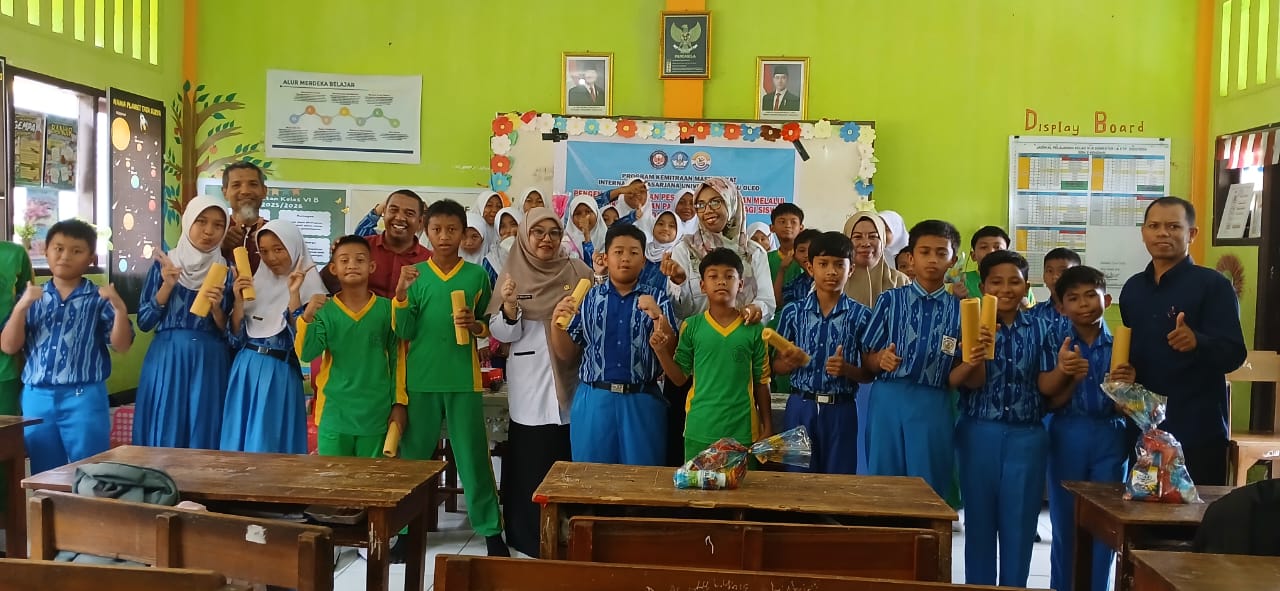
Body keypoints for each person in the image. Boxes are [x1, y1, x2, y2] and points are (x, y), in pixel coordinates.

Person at [953, 250, 1075, 588]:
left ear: (1027, 287)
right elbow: (968, 382)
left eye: (1014, 282)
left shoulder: (1042, 327)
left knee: (1020, 523)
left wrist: (1064, 370)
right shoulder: (969, 322)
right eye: (996, 282)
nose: (1005, 289)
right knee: (979, 522)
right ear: (983, 287)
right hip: (978, 432)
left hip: (1027, 436)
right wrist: (976, 352)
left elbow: (1045, 386)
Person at [393, 198, 508, 556]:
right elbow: (403, 330)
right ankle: (406, 533)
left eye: (452, 229)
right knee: (413, 460)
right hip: (421, 380)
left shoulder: (476, 276)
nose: (444, 237)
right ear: (425, 231)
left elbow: (488, 326)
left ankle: (491, 531)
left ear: (463, 232)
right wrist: (400, 295)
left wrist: (475, 326)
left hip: (463, 380)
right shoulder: (415, 275)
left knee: (473, 458)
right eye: (437, 229)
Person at [1119, 196, 1246, 486]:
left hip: (1197, 430)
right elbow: (1133, 351)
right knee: (1142, 508)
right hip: (1144, 430)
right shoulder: (1133, 289)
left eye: (1174, 226)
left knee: (1197, 511)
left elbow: (1234, 354)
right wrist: (1126, 373)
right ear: (1143, 232)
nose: (1162, 233)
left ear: (1192, 233)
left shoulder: (1214, 286)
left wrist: (1197, 342)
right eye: (1154, 226)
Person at [487, 207, 593, 556]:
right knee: (531, 460)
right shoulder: (512, 273)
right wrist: (510, 308)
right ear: (525, 236)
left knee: (567, 456)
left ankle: (567, 535)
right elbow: (501, 334)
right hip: (530, 382)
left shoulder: (579, 272)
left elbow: (593, 321)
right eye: (538, 232)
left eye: (553, 232)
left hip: (572, 376)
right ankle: (528, 537)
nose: (546, 239)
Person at [1, 220, 133, 473]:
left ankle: (89, 501)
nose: (65, 256)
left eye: (76, 251)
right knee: (44, 472)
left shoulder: (98, 298)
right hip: (37, 396)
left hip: (84, 397)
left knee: (93, 470)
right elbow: (8, 346)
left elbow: (122, 345)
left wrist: (119, 310)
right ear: (45, 251)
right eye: (58, 248)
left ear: (91, 258)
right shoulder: (30, 297)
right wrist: (21, 307)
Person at [550, 224, 675, 465]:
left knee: (643, 479)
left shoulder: (657, 298)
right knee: (591, 478)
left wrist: (658, 317)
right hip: (594, 399)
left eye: (633, 252)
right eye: (618, 252)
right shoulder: (587, 298)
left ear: (643, 261)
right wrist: (557, 325)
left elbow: (672, 353)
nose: (625, 258)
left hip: (642, 400)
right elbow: (567, 354)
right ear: (606, 258)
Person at [860, 220, 963, 499]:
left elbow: (960, 367)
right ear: (911, 257)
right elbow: (867, 357)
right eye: (924, 252)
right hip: (888, 399)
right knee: (884, 480)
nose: (932, 260)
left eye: (941, 253)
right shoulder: (889, 301)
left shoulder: (961, 310)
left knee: (929, 483)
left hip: (934, 401)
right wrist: (879, 359)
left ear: (953, 260)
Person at [1047, 265, 1135, 591]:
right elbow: (1049, 400)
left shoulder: (1122, 346)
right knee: (1066, 522)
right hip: (1066, 432)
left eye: (1090, 296)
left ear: (1106, 300)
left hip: (1111, 434)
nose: (1084, 304)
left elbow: (1128, 406)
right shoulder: (1057, 344)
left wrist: (1127, 387)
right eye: (1073, 298)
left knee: (1106, 524)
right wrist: (1067, 375)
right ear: (1061, 307)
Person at [651, 248, 773, 460]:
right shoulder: (691, 326)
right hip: (700, 428)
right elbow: (679, 379)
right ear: (702, 285)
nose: (721, 281)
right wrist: (661, 351)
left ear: (741, 284)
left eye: (729, 276)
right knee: (697, 482)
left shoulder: (754, 329)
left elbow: (762, 382)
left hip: (743, 430)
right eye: (713, 276)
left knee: (742, 483)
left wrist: (767, 426)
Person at [134, 197, 234, 449]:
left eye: (218, 225)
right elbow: (144, 321)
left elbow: (233, 334)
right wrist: (167, 287)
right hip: (167, 358)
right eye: (201, 222)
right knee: (165, 423)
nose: (209, 231)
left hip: (209, 360)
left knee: (204, 425)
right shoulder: (166, 264)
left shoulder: (227, 270)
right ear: (188, 222)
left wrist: (217, 310)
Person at [296, 235, 405, 459]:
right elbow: (307, 352)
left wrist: (399, 403)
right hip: (334, 414)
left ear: (371, 267)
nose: (352, 265)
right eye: (344, 260)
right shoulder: (324, 311)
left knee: (371, 478)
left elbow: (398, 360)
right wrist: (307, 317)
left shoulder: (387, 309)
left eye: (360, 260)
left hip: (376, 414)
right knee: (333, 477)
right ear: (333, 269)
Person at [772, 232, 871, 474]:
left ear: (851, 269)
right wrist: (788, 363)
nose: (831, 272)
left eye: (839, 265)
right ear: (810, 267)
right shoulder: (793, 313)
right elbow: (776, 367)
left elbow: (869, 374)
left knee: (837, 482)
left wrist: (847, 369)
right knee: (797, 479)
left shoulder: (862, 316)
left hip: (841, 409)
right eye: (823, 264)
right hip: (800, 407)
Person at [220, 220, 323, 454]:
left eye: (278, 249)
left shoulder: (313, 291)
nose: (271, 258)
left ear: (294, 247)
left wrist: (294, 295)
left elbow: (305, 345)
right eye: (264, 251)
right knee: (239, 443)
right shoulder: (255, 283)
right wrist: (238, 302)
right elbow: (235, 339)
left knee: (270, 444)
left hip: (280, 372)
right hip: (245, 369)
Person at [660, 177, 776, 325]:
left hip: (745, 335)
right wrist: (679, 281)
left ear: (731, 202)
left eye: (715, 202)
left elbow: (767, 303)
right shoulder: (686, 250)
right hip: (700, 337)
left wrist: (756, 309)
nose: (707, 210)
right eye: (700, 205)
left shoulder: (754, 252)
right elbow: (682, 312)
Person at [323, 190, 430, 299]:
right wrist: (338, 254)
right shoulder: (358, 248)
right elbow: (325, 286)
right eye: (393, 210)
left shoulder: (430, 261)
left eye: (409, 213)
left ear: (420, 221)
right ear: (384, 213)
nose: (399, 217)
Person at [844, 210, 911, 308]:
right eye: (857, 237)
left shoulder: (900, 281)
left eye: (873, 236)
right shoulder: (834, 281)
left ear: (883, 241)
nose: (865, 243)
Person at [219, 161, 270, 272]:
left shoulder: (275, 232)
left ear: (264, 191)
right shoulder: (216, 231)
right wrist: (219, 246)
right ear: (225, 193)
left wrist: (270, 247)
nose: (245, 191)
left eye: (253, 184)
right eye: (236, 185)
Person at [1026, 247, 1080, 336]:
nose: (1055, 276)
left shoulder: (1086, 312)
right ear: (1043, 276)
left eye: (1063, 271)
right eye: (1049, 271)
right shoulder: (1033, 313)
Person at [952, 225, 1009, 300]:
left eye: (997, 247)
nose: (991, 251)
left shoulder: (1016, 280)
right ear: (973, 256)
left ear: (1007, 255)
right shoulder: (961, 282)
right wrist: (955, 298)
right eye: (984, 247)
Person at [638, 210, 686, 293]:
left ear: (678, 232)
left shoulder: (678, 256)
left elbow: (682, 292)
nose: (665, 228)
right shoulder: (641, 250)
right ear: (653, 226)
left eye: (671, 226)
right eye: (660, 224)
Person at [563, 195, 606, 263]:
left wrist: (586, 234)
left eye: (588, 212)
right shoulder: (565, 240)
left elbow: (594, 266)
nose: (584, 217)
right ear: (571, 218)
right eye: (578, 213)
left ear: (596, 213)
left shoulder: (608, 239)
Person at [483, 207, 520, 285]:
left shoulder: (534, 254)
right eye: (502, 226)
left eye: (513, 224)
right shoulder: (491, 260)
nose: (508, 230)